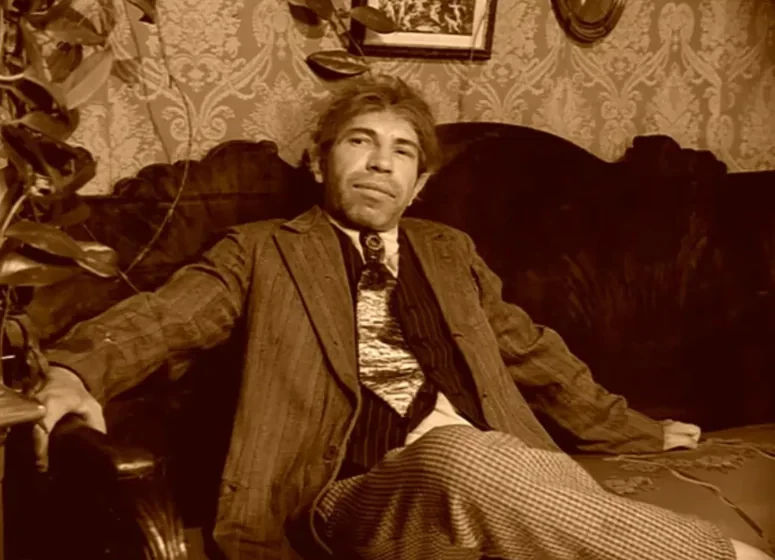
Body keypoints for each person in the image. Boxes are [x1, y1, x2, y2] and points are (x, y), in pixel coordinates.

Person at [36, 75, 771, 560]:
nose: (380, 164)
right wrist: (72, 370)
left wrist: (637, 431)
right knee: (464, 456)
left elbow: (533, 354)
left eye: (402, 152)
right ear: (320, 161)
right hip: (354, 493)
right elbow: (164, 318)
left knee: (509, 465)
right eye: (360, 142)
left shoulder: (449, 252)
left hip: (497, 477)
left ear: (418, 185)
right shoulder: (261, 250)